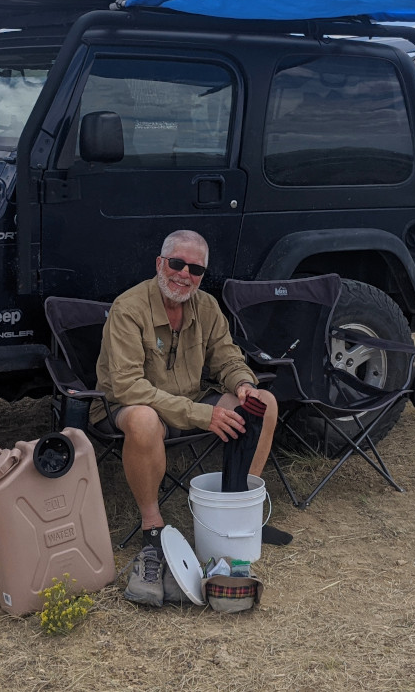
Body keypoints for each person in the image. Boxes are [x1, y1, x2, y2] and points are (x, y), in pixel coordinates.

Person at [95, 229, 289, 607]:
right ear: (160, 264)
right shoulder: (128, 308)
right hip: (131, 405)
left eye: (195, 269)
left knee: (264, 402)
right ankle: (152, 527)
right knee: (144, 421)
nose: (185, 274)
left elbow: (228, 358)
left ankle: (240, 518)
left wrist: (244, 384)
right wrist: (202, 414)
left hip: (189, 399)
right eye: (177, 264)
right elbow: (128, 387)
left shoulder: (207, 307)